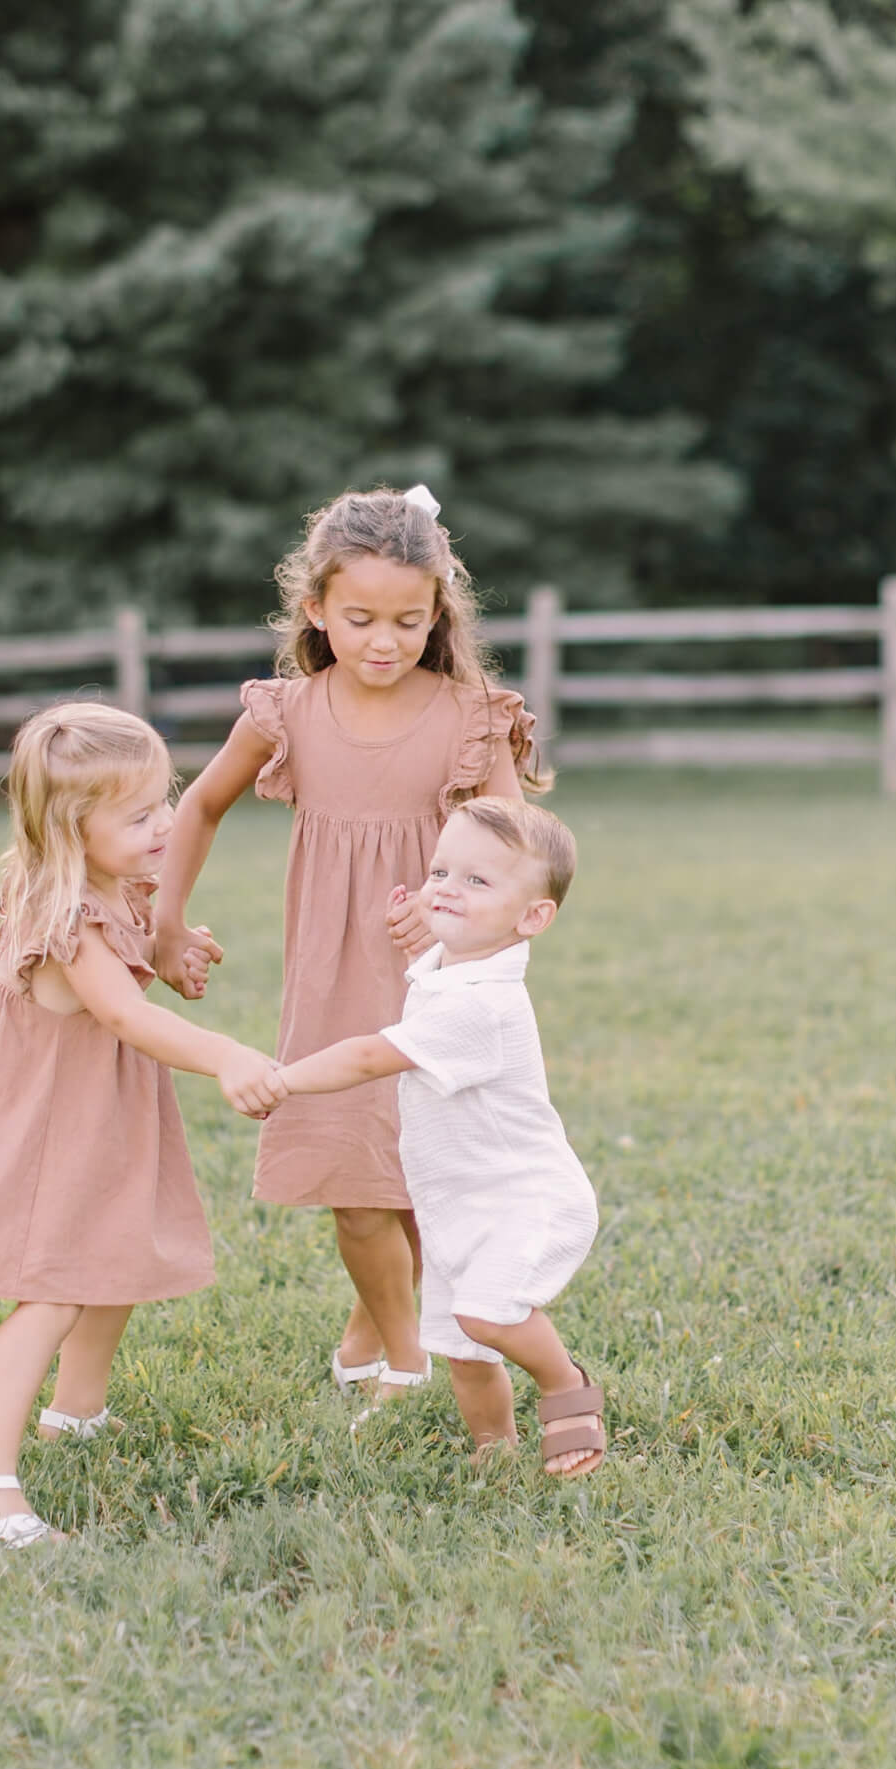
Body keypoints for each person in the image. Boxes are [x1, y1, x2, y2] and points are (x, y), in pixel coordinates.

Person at [0, 702, 279, 1547]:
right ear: (71, 829)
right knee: (51, 1287)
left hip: (95, 1109)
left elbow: (136, 966)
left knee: (112, 1252)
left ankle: (76, 1411)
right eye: (140, 815)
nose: (165, 825)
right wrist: (227, 1053)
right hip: (46, 1123)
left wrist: (170, 949)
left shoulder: (107, 886)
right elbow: (122, 1016)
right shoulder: (68, 914)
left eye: (166, 801)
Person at [154, 485, 543, 1410]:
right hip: (332, 976)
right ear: (317, 610)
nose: (383, 640)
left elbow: (512, 841)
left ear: (437, 613)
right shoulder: (286, 712)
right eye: (360, 618)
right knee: (354, 1178)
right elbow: (199, 804)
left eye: (409, 621)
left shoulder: (470, 713)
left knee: (424, 1173)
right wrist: (164, 919)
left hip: (440, 982)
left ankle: (377, 1329)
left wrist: (452, 905)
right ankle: (404, 1351)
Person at [271, 796, 604, 1476]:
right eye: (440, 871)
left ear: (532, 918)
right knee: (463, 1349)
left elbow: (368, 1056)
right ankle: (495, 1452)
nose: (448, 887)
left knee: (488, 1317)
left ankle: (566, 1383)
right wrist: (424, 916)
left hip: (524, 1199)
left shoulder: (484, 1001)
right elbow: (426, 947)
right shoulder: (445, 969)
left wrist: (282, 1080)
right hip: (460, 1203)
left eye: (477, 881)